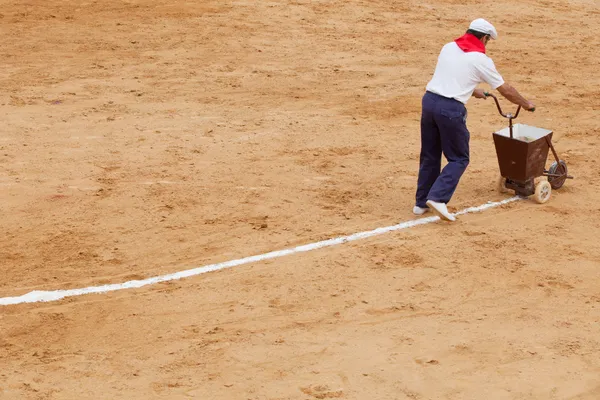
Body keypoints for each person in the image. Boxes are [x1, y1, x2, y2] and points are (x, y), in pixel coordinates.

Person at [414, 18, 535, 222]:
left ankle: (420, 203)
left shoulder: (448, 47)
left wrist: (472, 90)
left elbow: (450, 77)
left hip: (429, 102)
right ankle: (437, 198)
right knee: (459, 158)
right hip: (450, 110)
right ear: (484, 37)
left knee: (430, 154)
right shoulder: (481, 60)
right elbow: (505, 89)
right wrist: (525, 104)